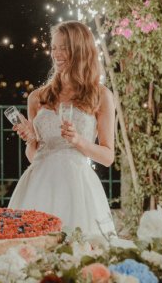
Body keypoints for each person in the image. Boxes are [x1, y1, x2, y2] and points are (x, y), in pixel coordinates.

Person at [8, 20, 116, 236]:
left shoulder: (100, 95)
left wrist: (78, 141)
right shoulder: (37, 97)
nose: (56, 54)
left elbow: (107, 156)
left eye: (64, 48)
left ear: (80, 50)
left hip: (78, 188)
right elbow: (35, 156)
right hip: (38, 186)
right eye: (54, 47)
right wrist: (30, 139)